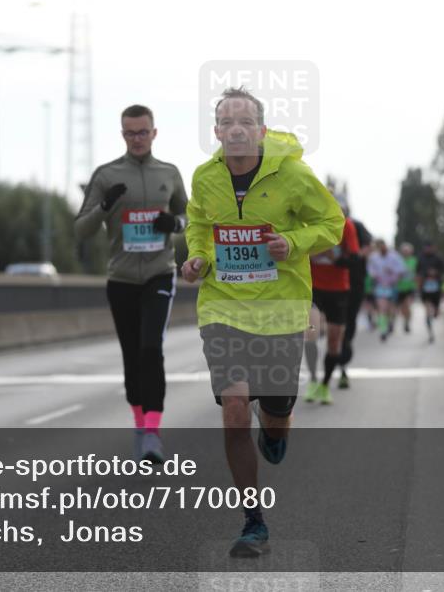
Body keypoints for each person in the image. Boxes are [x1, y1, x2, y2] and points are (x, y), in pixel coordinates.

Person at [182, 87, 344, 558]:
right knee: (235, 409)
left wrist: (291, 243)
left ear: (261, 130)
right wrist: (196, 257)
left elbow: (331, 224)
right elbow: (198, 225)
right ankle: (253, 522)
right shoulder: (205, 177)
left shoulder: (292, 174)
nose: (236, 129)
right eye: (227, 122)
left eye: (245, 122)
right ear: (216, 132)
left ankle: (276, 426)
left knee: (275, 415)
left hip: (280, 310)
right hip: (223, 307)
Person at [74, 104, 187, 465]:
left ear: (154, 133)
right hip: (121, 278)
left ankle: (153, 432)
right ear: (122, 134)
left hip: (159, 273)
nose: (137, 139)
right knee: (132, 355)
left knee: (151, 349)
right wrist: (105, 205)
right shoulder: (106, 175)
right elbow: (81, 229)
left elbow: (189, 215)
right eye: (130, 133)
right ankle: (140, 425)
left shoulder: (169, 173)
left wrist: (175, 224)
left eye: (143, 132)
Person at [304, 212, 360, 405]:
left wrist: (333, 257)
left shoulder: (346, 225)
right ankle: (313, 380)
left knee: (334, 341)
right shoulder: (306, 221)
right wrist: (309, 254)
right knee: (310, 333)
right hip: (313, 288)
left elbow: (354, 260)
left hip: (338, 291)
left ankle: (325, 385)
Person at [336, 201, 372, 389]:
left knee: (349, 321)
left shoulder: (356, 226)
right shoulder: (323, 225)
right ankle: (338, 353)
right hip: (331, 284)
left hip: (354, 281)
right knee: (334, 323)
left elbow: (366, 247)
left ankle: (344, 352)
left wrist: (352, 256)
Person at [366, 239, 406, 342]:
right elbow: (370, 270)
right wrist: (375, 275)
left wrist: (392, 270)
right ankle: (383, 330)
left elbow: (402, 270)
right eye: (379, 247)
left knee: (390, 309)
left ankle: (390, 323)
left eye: (383, 246)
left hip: (392, 286)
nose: (381, 249)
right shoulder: (373, 257)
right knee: (381, 308)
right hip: (380, 286)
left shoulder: (395, 256)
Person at [415, 241, 444, 341]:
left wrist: (437, 274)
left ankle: (435, 313)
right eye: (427, 247)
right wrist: (422, 278)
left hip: (436, 288)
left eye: (430, 247)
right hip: (425, 288)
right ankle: (430, 332)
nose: (428, 249)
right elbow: (417, 271)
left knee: (436, 312)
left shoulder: (438, 258)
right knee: (428, 311)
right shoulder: (421, 258)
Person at [396, 243, 417, 333]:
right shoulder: (398, 261)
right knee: (402, 307)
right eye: (404, 251)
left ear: (411, 252)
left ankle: (407, 322)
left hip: (411, 287)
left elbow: (417, 273)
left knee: (407, 305)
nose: (406, 252)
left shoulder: (414, 261)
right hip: (400, 287)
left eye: (407, 251)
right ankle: (405, 320)